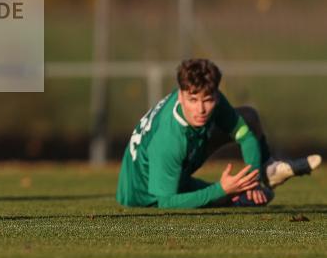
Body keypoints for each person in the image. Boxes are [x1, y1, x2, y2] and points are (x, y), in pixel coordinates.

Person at [117, 58, 321, 209]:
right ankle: (247, 187)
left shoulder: (208, 94)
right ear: (181, 95)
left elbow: (246, 135)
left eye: (208, 99)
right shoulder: (169, 140)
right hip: (145, 195)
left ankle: (266, 170)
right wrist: (222, 190)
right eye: (193, 100)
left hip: (178, 169)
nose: (201, 109)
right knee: (231, 197)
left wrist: (252, 180)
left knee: (248, 117)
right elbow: (166, 201)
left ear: (215, 92)